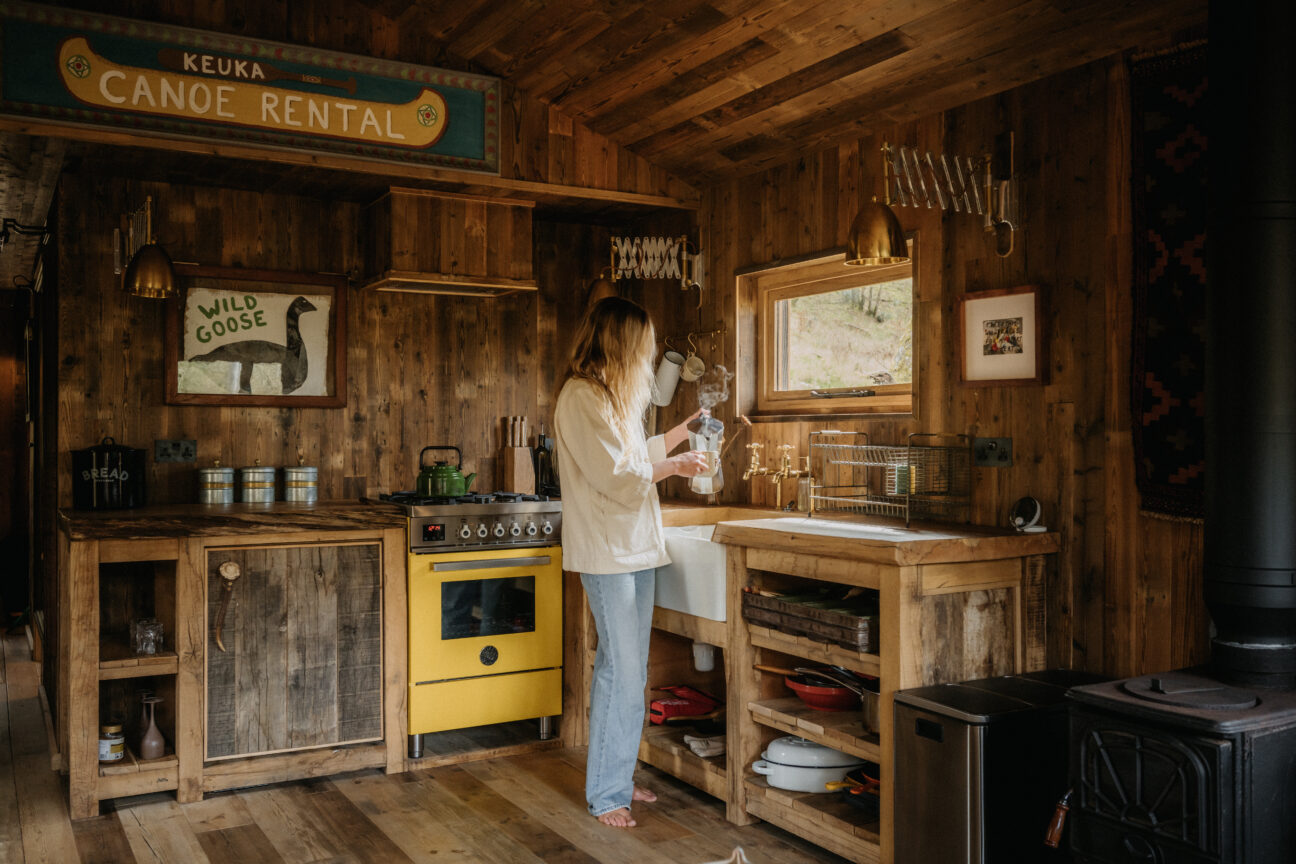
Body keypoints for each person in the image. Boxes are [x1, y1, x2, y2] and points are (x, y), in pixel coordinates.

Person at [553, 296, 709, 829]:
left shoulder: (608, 396)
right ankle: (607, 793)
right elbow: (617, 476)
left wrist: (679, 433)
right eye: (642, 344)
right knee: (623, 673)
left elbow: (633, 454)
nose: (647, 353)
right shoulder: (580, 397)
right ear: (620, 342)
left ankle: (613, 777)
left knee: (625, 671)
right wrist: (676, 464)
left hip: (635, 547)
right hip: (609, 551)